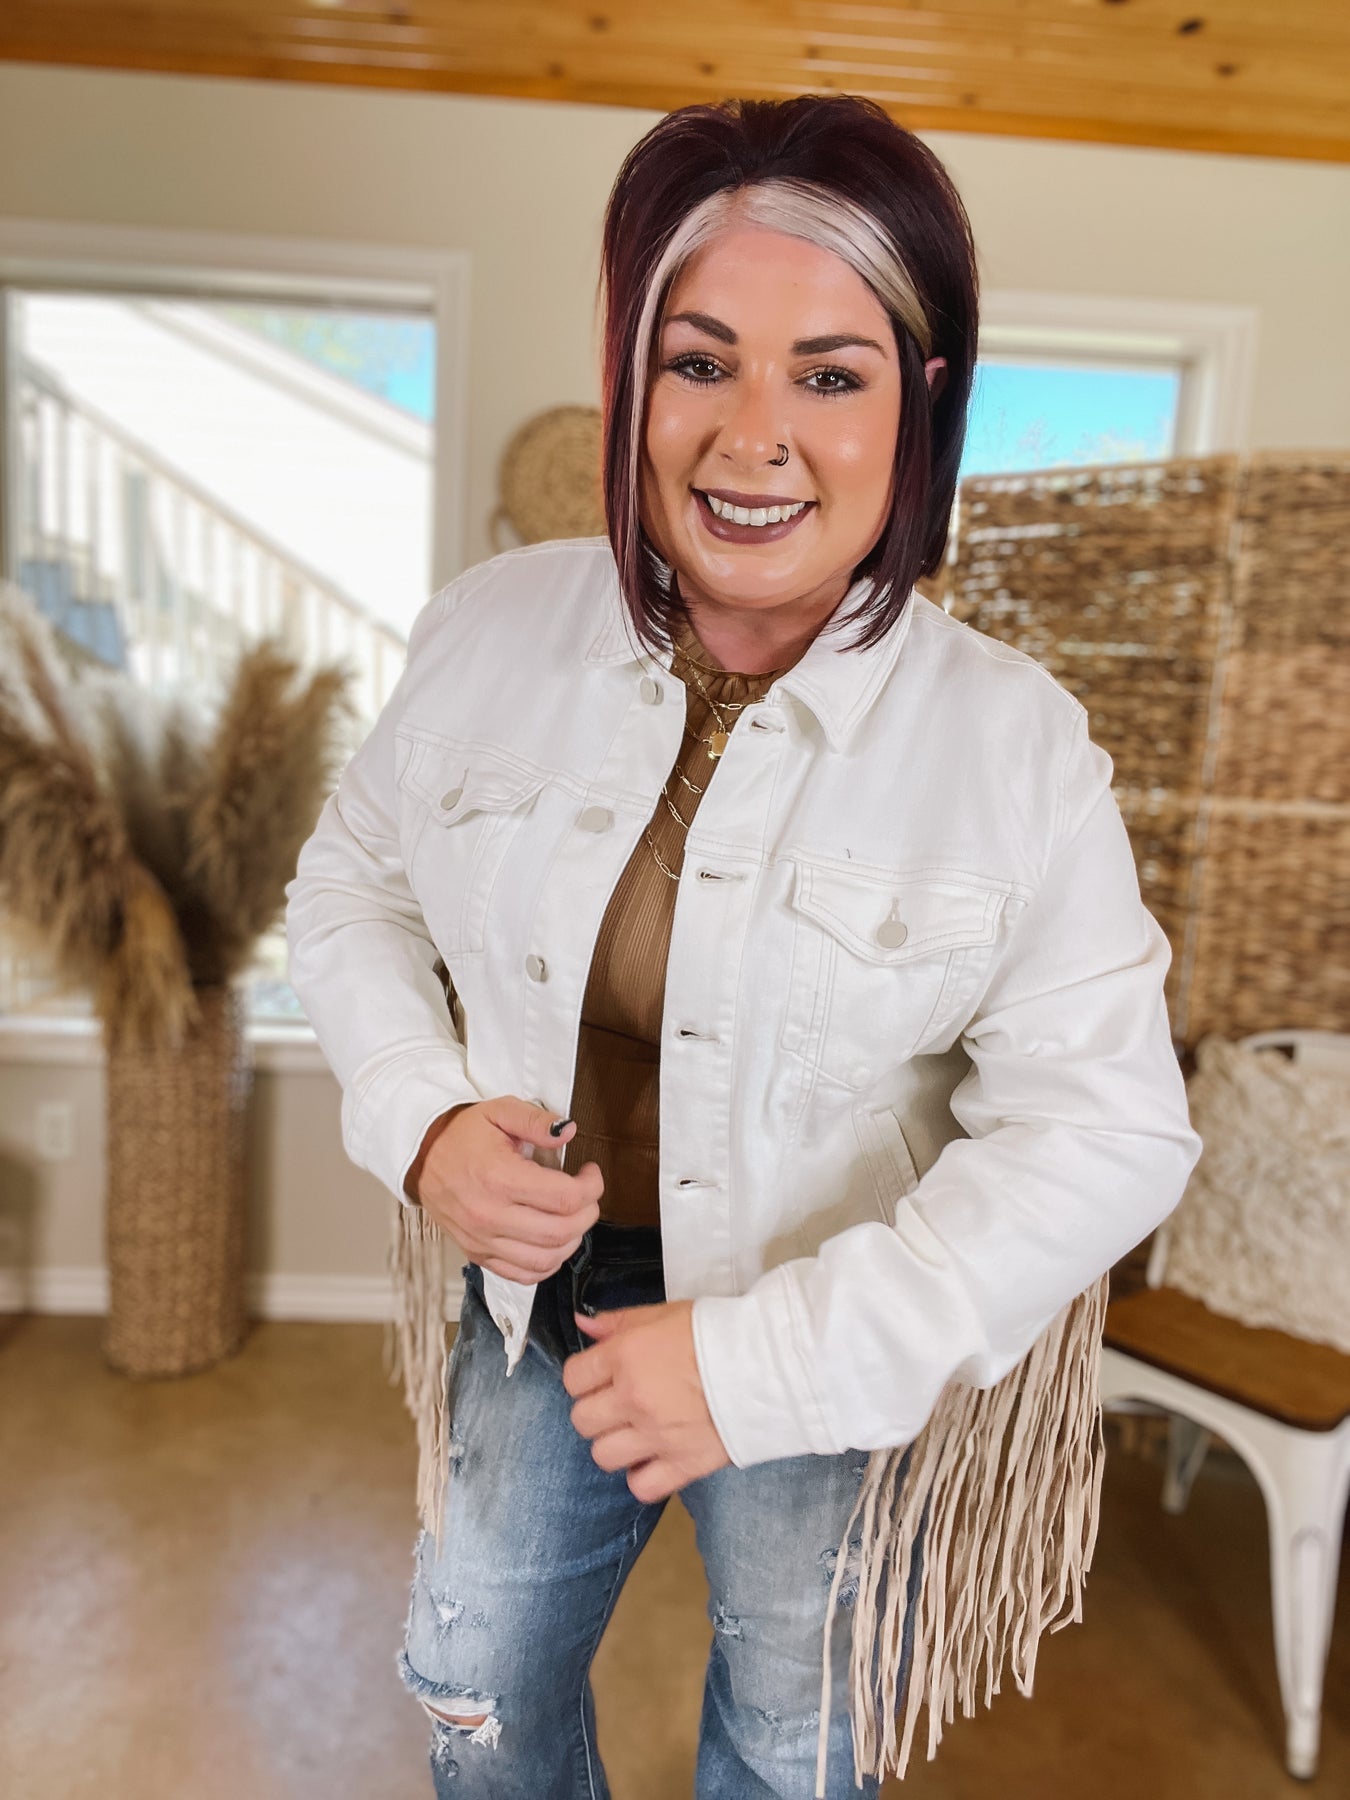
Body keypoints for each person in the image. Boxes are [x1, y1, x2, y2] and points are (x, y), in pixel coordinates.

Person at [284, 94, 1202, 1800]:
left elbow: (1107, 1131)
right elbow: (349, 892)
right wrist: (421, 1118)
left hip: (821, 1317)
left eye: (828, 375)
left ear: (919, 405)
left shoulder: (1014, 746)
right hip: (536, 1296)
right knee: (470, 1691)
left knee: (794, 1748)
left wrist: (762, 1362)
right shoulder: (486, 630)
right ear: (629, 379)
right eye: (698, 363)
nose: (752, 438)